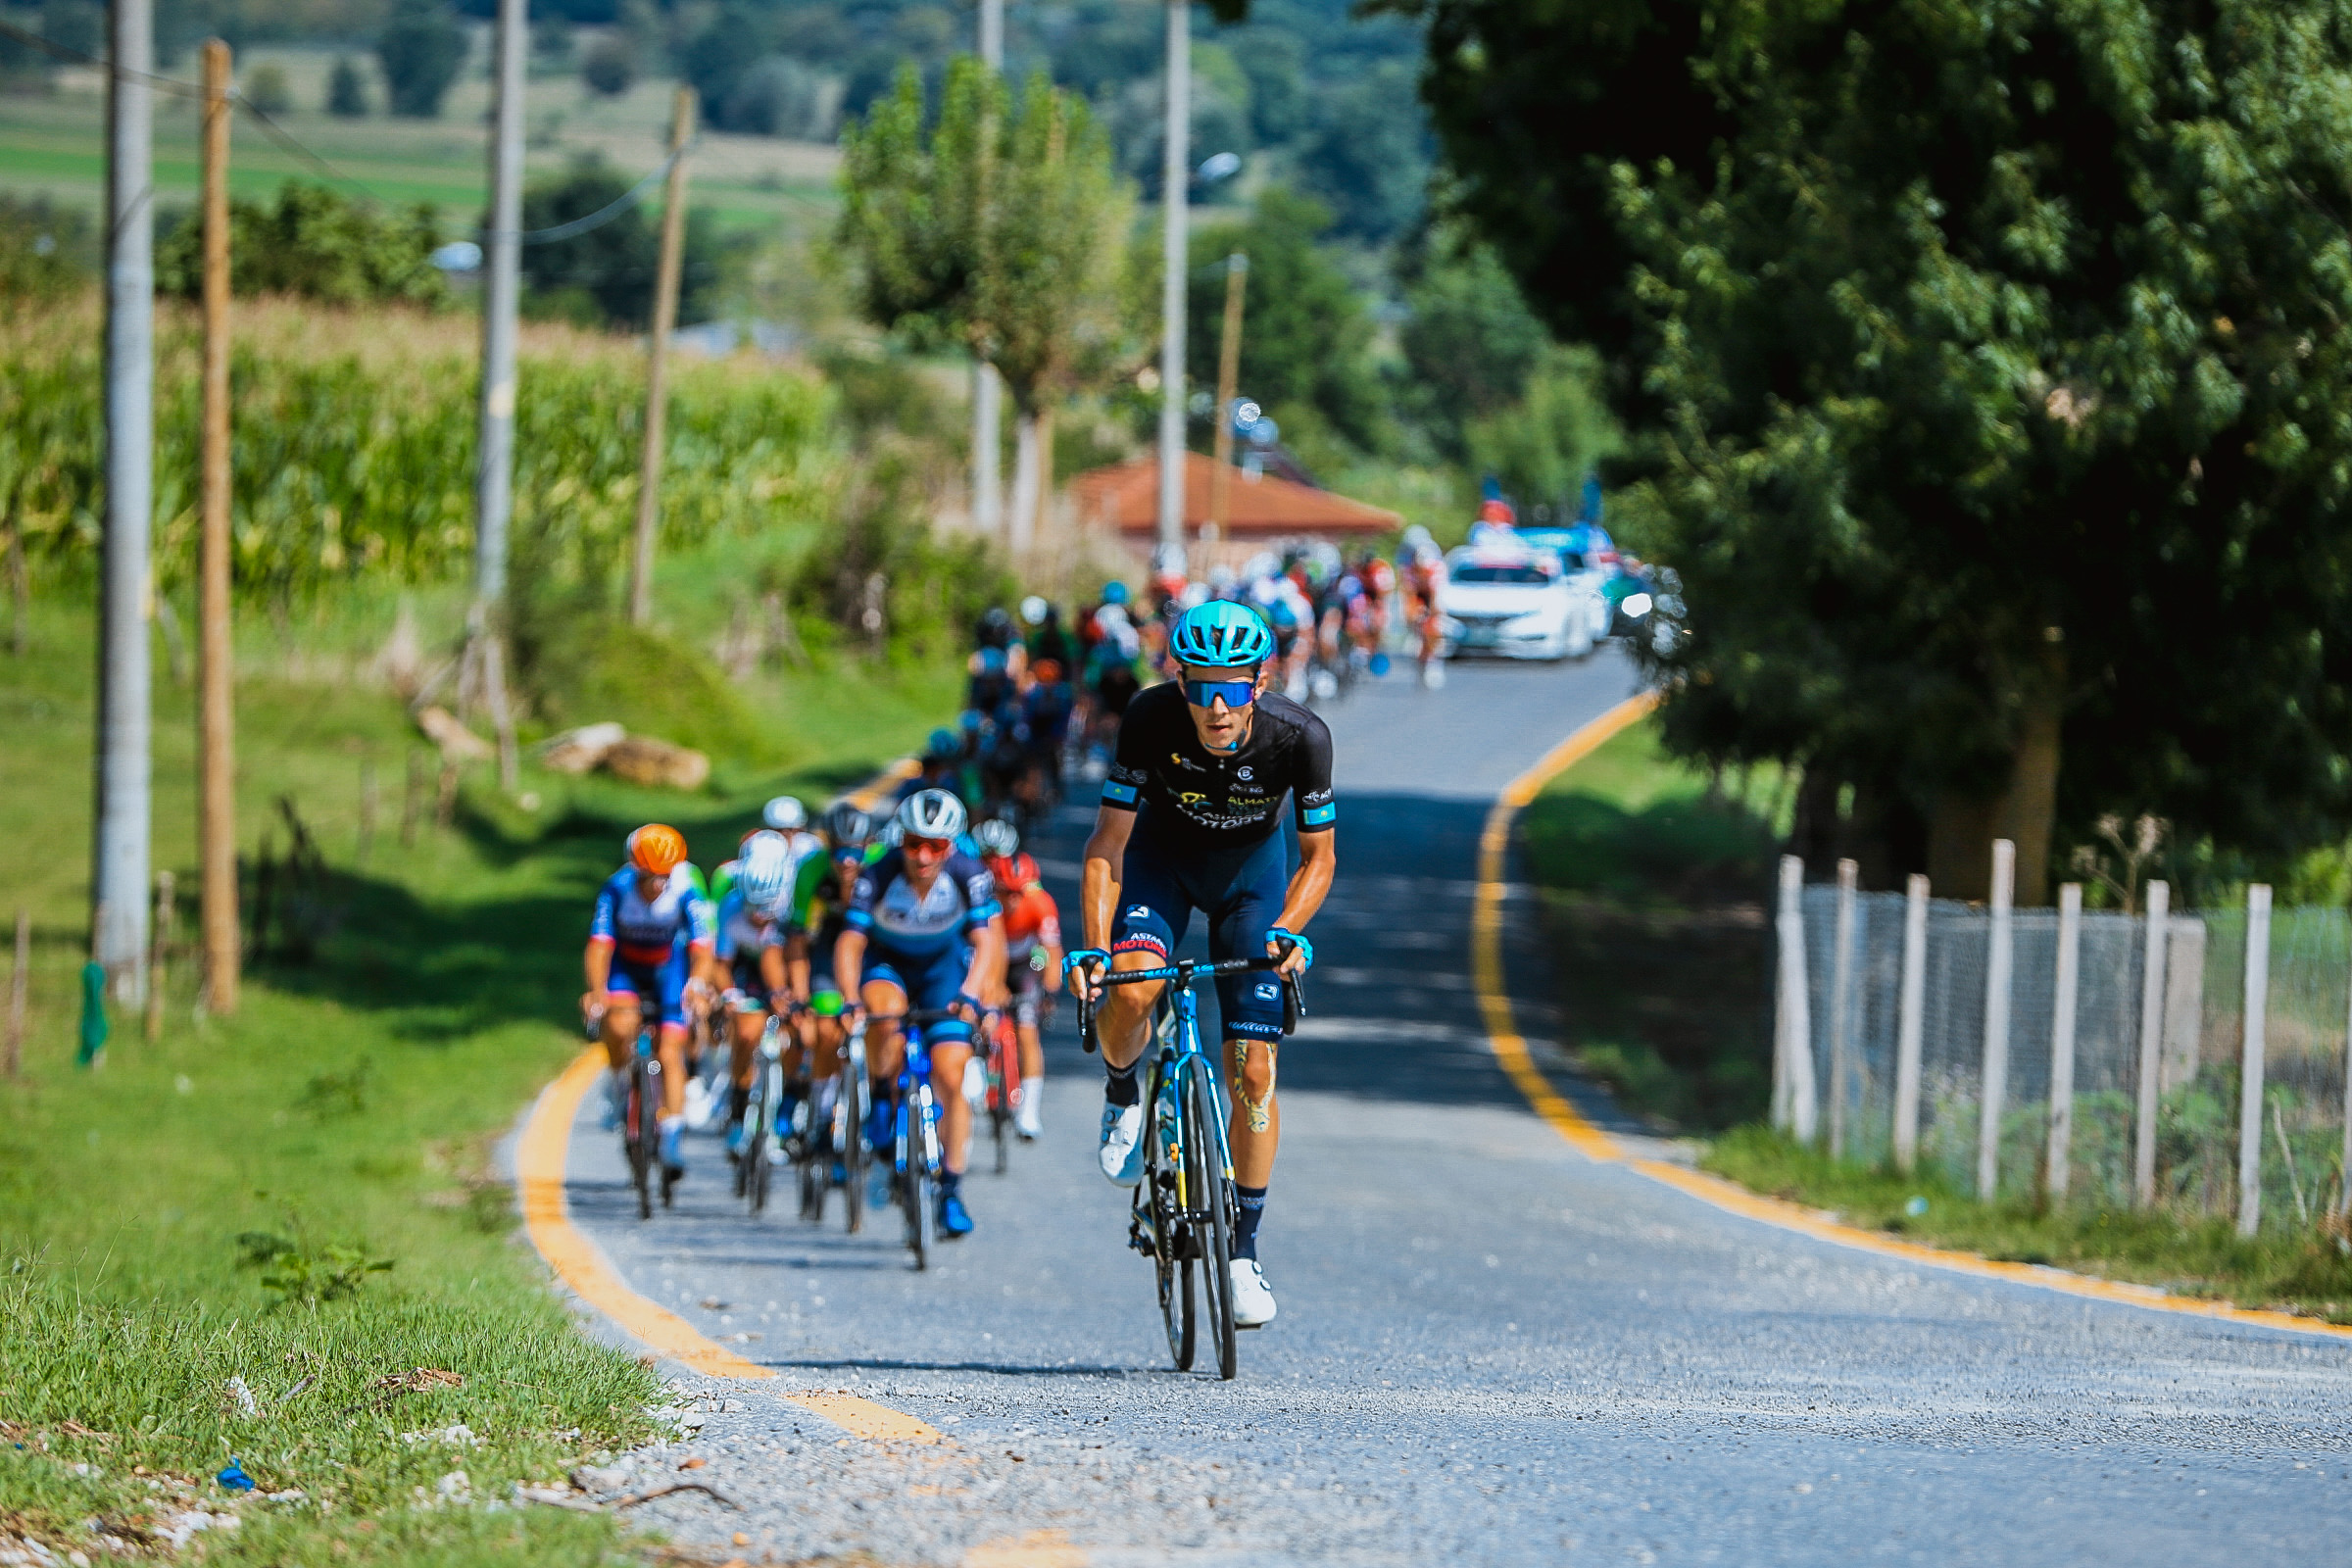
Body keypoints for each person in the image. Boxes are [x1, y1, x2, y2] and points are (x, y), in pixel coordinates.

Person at [1063, 600, 1334, 1329]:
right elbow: (1106, 846)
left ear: (1260, 682)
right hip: (1162, 866)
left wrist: (1286, 930)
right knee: (1136, 983)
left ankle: (1243, 1254)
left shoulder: (1300, 737)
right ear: (1180, 684)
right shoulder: (1149, 719)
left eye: (1234, 686)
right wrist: (1093, 945)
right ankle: (1124, 1089)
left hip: (1253, 883)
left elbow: (1318, 859)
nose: (1217, 705)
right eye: (1201, 685)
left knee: (1252, 1069)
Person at [834, 789, 1005, 1240]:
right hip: (888, 965)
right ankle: (882, 1098)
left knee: (951, 1073)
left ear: (952, 846)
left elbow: (987, 943)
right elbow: (851, 942)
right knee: (884, 1015)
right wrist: (850, 999)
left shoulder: (970, 874)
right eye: (913, 844)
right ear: (901, 840)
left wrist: (973, 996)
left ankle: (950, 1188)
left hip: (942, 972)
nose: (924, 856)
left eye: (936, 846)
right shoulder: (879, 873)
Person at [583, 824, 716, 1182]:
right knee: (617, 1022)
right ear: (636, 869)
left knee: (671, 1050)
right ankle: (617, 1084)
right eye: (650, 877)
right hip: (626, 968)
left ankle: (671, 1136)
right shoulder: (617, 888)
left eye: (665, 877)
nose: (659, 884)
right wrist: (597, 991)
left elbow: (702, 947)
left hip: (667, 968)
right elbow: (600, 945)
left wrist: (698, 984)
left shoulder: (686, 886)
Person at [712, 830, 809, 1155]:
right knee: (745, 1031)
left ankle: (789, 1108)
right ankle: (739, 1109)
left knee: (802, 1033)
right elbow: (720, 961)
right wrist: (728, 994)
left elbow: (797, 954)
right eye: (752, 907)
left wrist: (796, 997)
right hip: (747, 970)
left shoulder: (795, 901)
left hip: (787, 963)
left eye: (766, 908)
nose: (757, 916)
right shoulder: (730, 903)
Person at [983, 832, 1062, 1141]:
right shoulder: (988, 905)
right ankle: (978, 1072)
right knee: (984, 1015)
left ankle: (1029, 1111)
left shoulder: (1040, 903)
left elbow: (1052, 951)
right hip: (992, 957)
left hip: (1026, 965)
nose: (1012, 899)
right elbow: (982, 952)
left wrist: (1050, 992)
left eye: (1018, 892)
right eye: (1005, 892)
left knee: (1028, 1031)